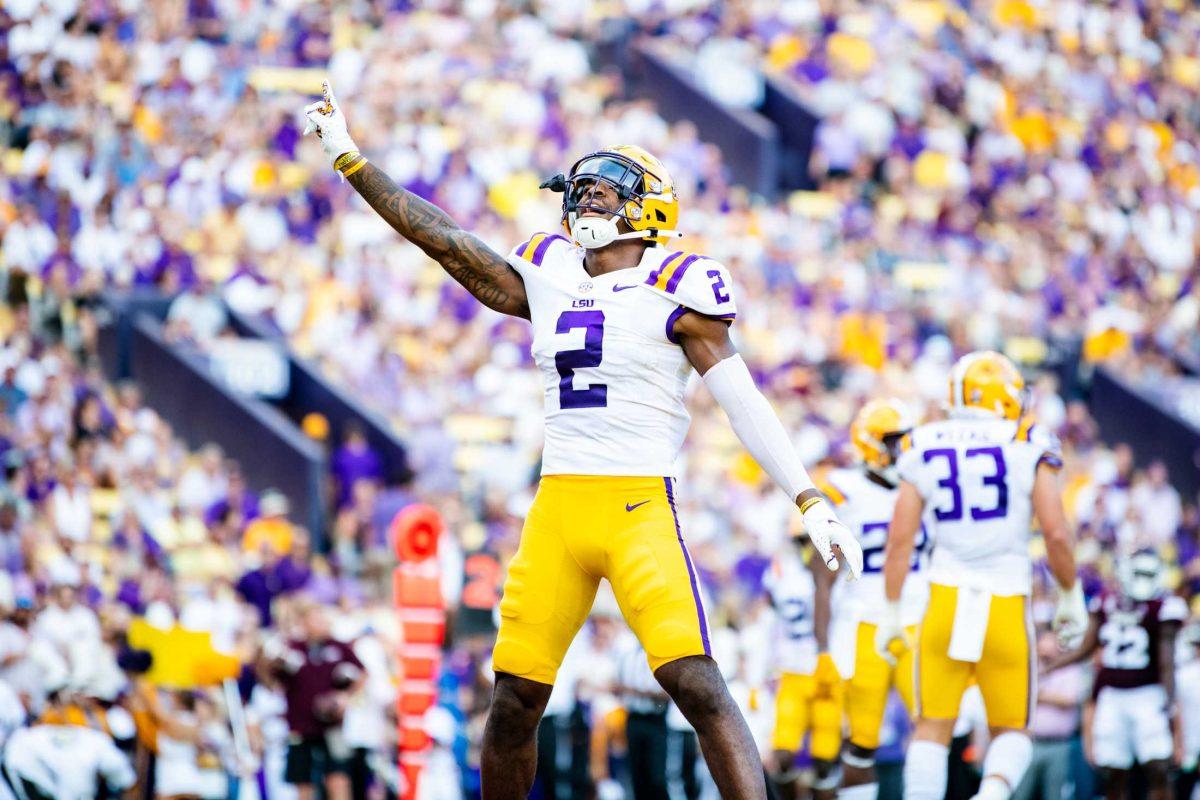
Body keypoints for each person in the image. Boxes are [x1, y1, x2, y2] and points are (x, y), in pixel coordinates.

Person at [302, 83, 864, 800]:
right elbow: (445, 242)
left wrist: (809, 497)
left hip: (637, 506)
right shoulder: (550, 271)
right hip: (558, 511)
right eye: (583, 192)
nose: (585, 203)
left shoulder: (677, 283)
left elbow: (742, 401)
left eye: (602, 193)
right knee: (512, 703)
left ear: (647, 205)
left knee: (694, 681)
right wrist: (351, 160)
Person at [877, 351, 1087, 800]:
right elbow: (1055, 533)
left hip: (944, 600)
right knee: (1012, 730)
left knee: (931, 729)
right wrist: (1071, 594)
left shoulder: (923, 441)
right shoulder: (1028, 438)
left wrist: (892, 608)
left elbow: (901, 539)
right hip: (1006, 604)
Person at [814, 399, 929, 800]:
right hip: (865, 623)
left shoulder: (923, 484)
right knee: (862, 740)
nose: (904, 450)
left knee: (935, 730)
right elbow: (822, 576)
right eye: (895, 441)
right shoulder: (843, 490)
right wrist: (823, 647)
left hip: (921, 618)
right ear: (871, 444)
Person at [1045, 549, 1186, 800]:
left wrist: (1169, 703)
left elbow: (1166, 661)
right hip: (1112, 695)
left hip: (1147, 693)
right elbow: (1087, 646)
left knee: (1158, 768)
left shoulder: (1164, 606)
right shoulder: (1107, 601)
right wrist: (1050, 666)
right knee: (1112, 770)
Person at [764, 532, 839, 799]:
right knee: (783, 755)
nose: (810, 548)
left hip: (827, 672)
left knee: (824, 761)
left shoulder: (835, 575)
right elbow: (771, 619)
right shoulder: (783, 575)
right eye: (805, 542)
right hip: (793, 670)